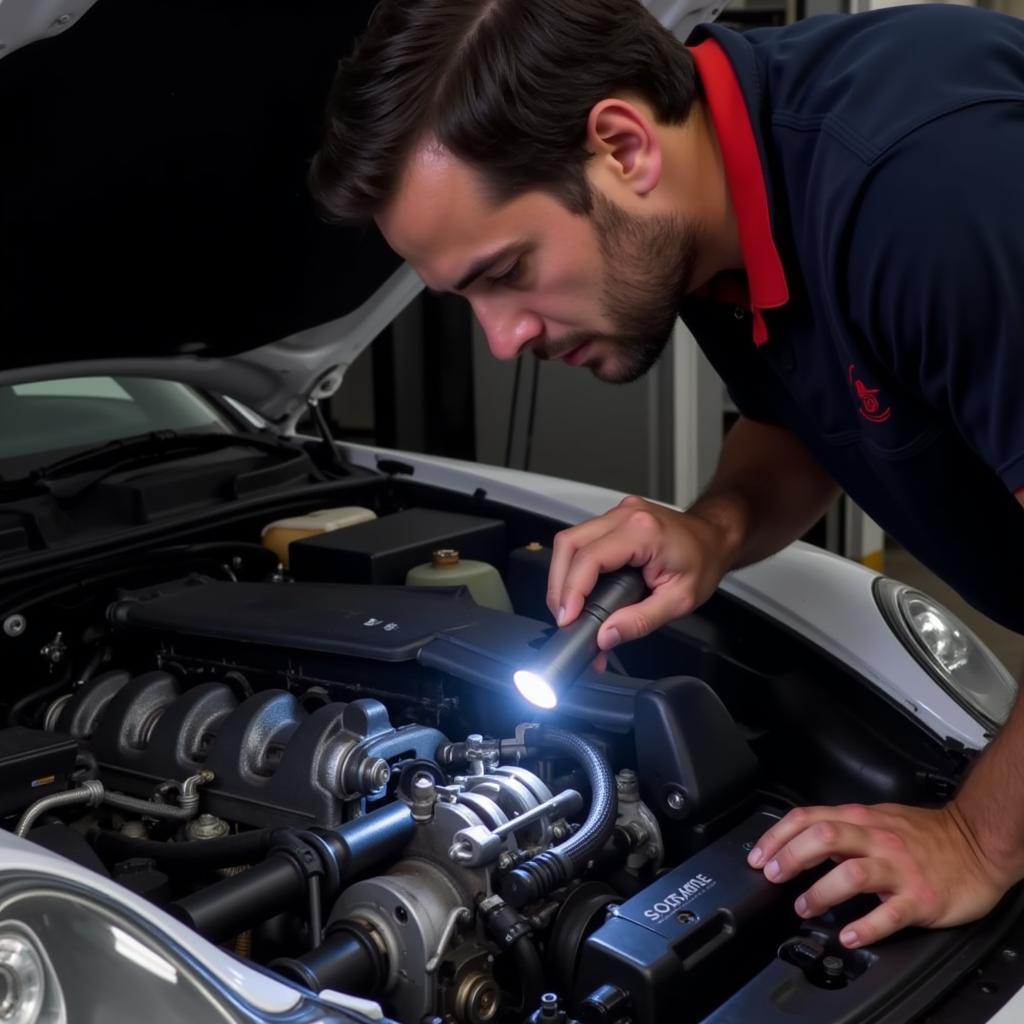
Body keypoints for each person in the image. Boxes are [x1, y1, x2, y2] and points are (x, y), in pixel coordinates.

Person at [309, 0, 1024, 950]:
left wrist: (979, 840)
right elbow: (813, 405)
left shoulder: (924, 189)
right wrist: (714, 529)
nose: (504, 336)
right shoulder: (718, 200)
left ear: (622, 146)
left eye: (507, 270)